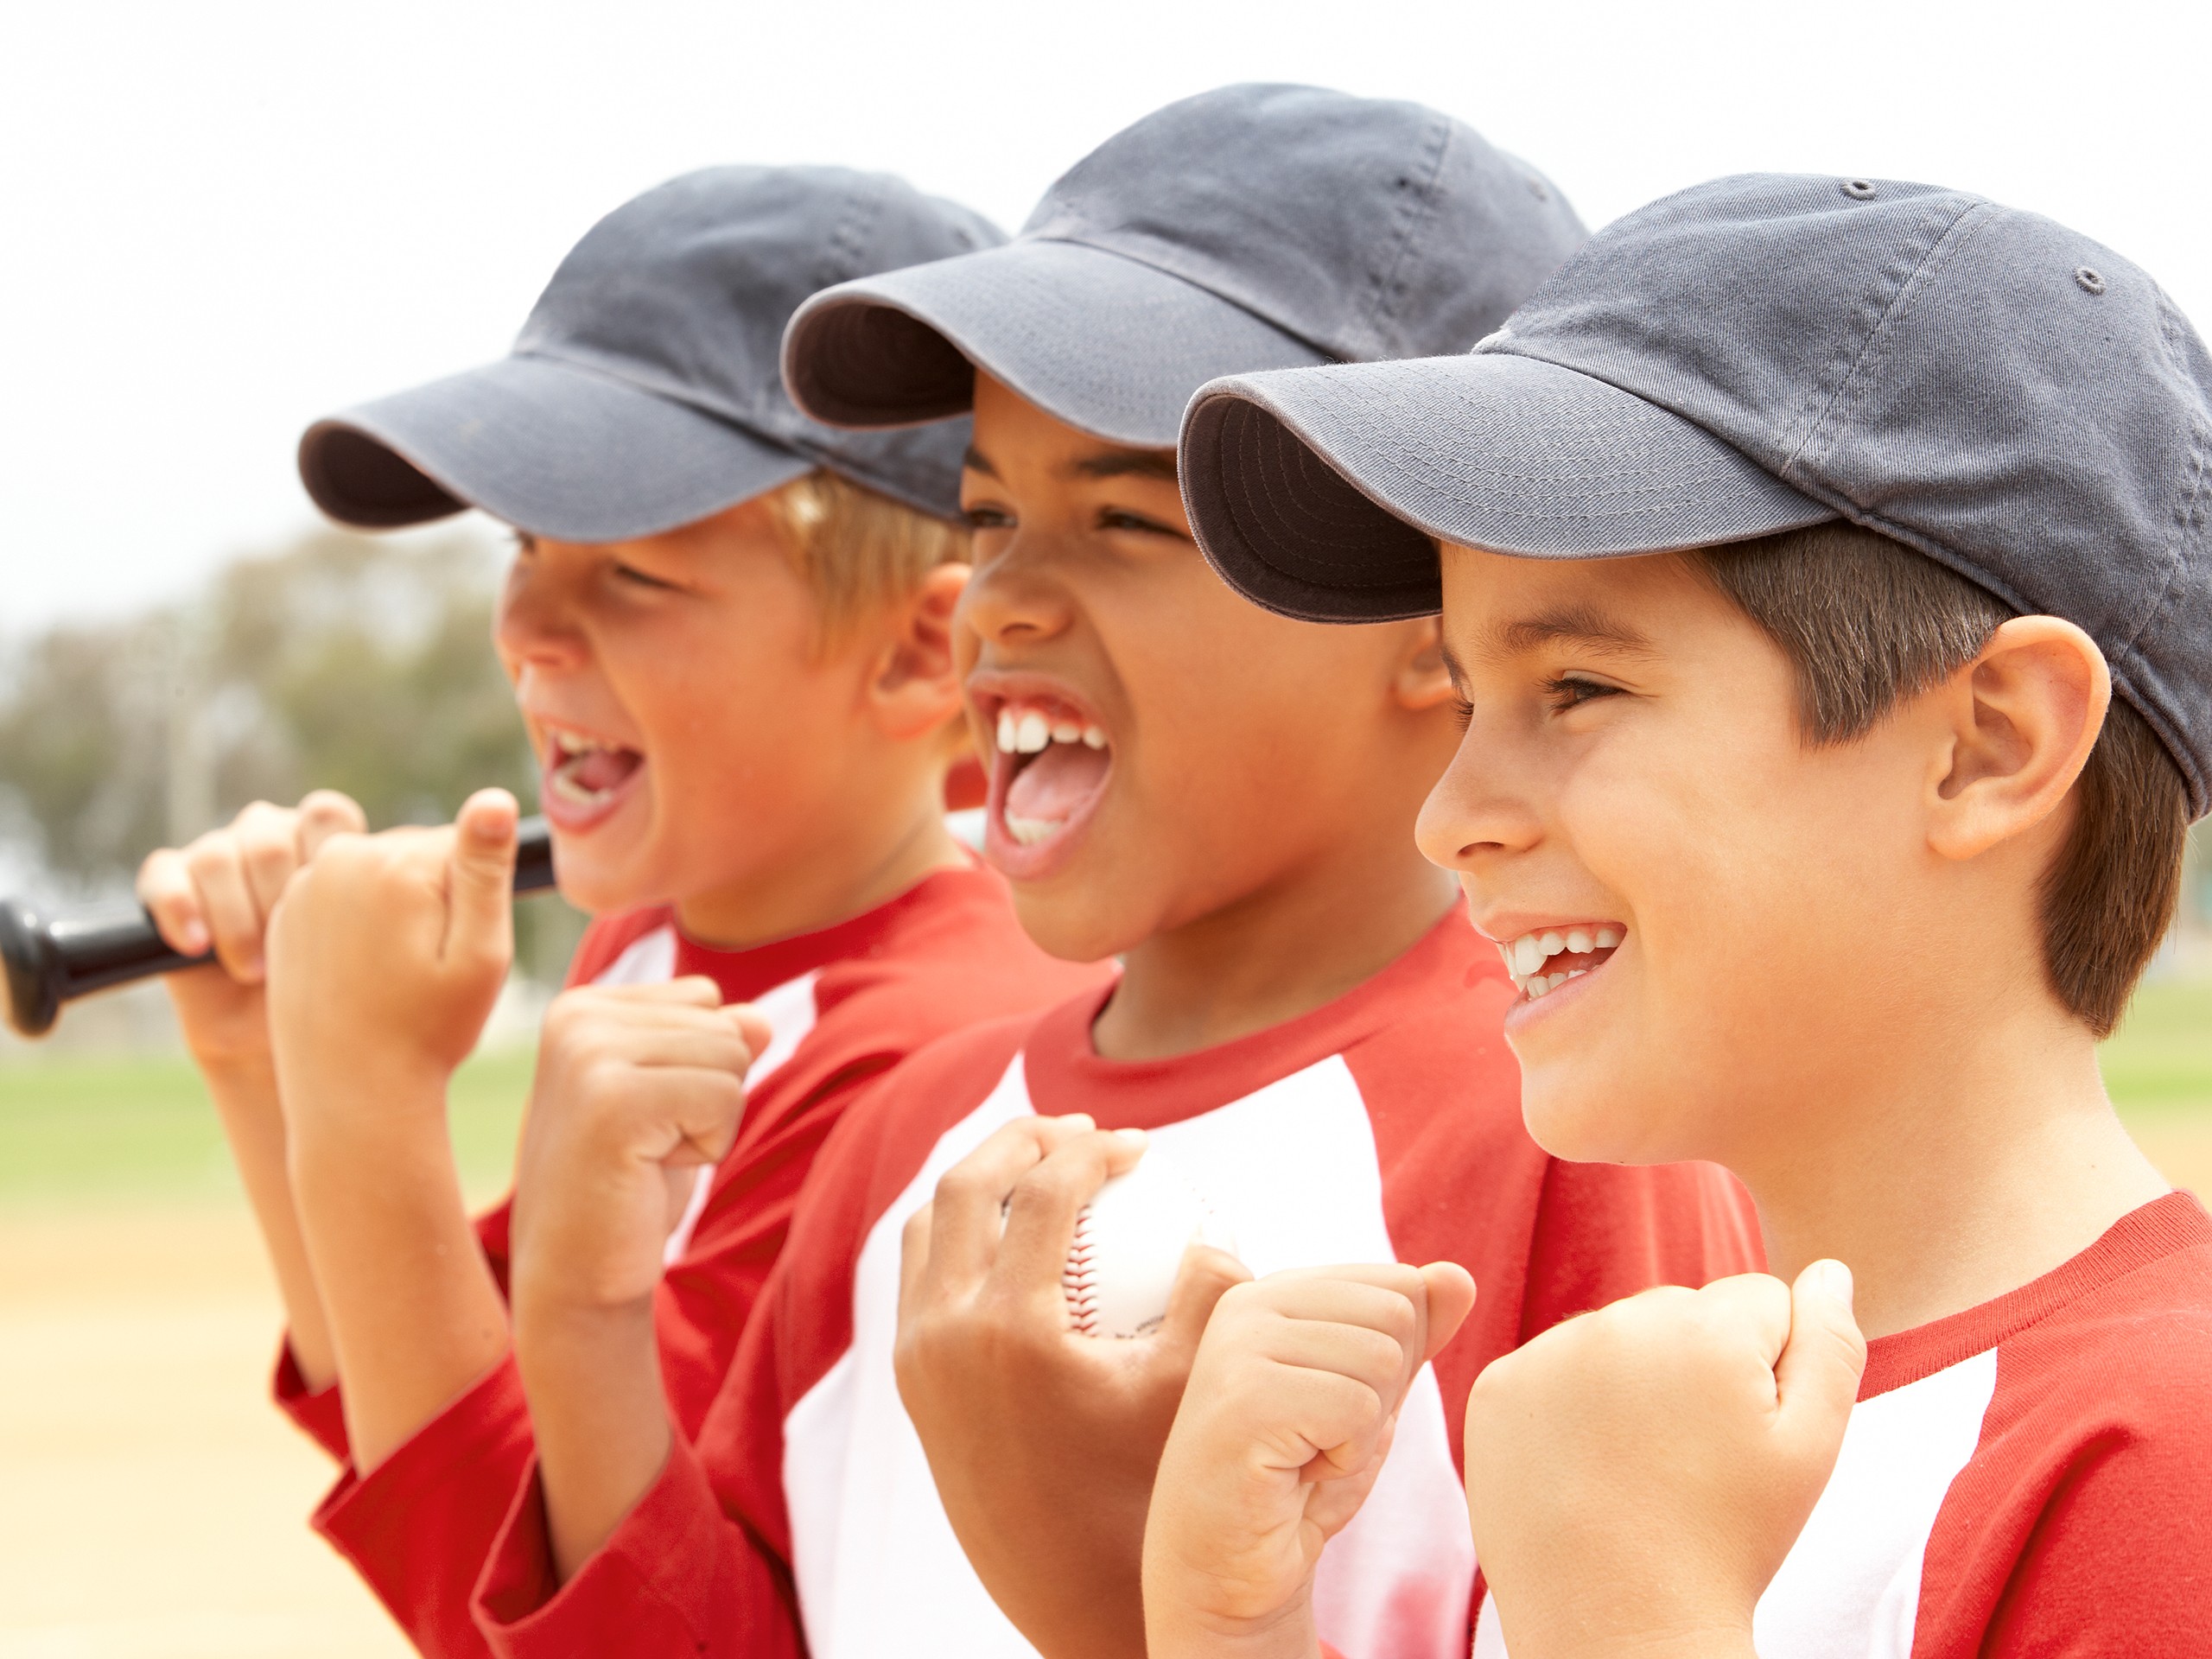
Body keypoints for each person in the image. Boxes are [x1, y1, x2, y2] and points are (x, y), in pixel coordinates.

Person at [467, 85, 1762, 1659]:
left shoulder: (1579, 1142)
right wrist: (587, 1331)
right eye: (990, 512)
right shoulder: (904, 1149)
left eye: (1133, 521)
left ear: (1434, 621)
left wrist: (1109, 1589)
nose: (998, 597)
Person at [1153, 171, 2212, 1657]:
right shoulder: (1652, 1434)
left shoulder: (2166, 1461)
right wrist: (1238, 1632)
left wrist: (1627, 1620)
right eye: (1466, 696)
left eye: (1578, 687)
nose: (1450, 815)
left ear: (1990, 745)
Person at [136, 164, 1107, 1658]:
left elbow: (511, 1596)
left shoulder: (928, 1059)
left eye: (636, 574)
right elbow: (444, 1429)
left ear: (922, 656)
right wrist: (272, 1067)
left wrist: (368, 1108)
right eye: (526, 550)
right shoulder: (667, 936)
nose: (522, 630)